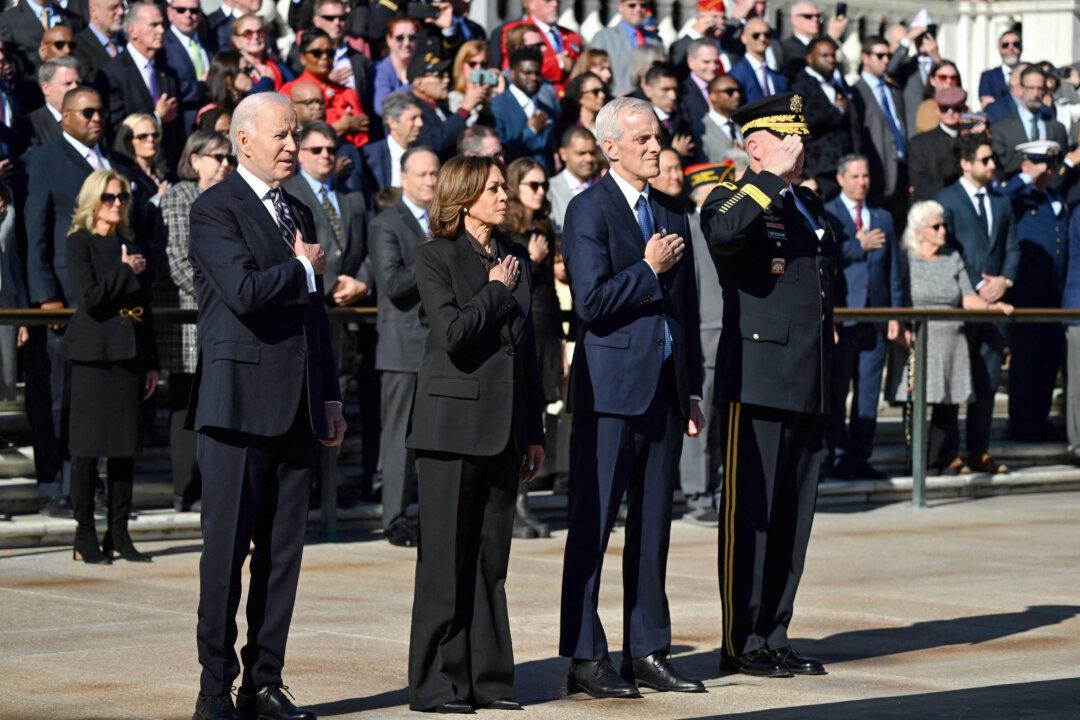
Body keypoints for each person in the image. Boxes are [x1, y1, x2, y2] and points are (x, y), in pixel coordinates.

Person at [188, 92, 344, 720]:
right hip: (237, 406)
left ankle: (265, 681)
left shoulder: (299, 211)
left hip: (299, 407)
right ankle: (213, 689)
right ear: (242, 139)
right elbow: (245, 292)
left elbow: (315, 318)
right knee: (225, 555)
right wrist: (302, 269)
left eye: (296, 135)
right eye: (281, 135)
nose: (291, 146)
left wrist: (330, 394)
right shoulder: (214, 209)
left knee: (283, 557)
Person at [560, 96, 705, 698]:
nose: (655, 146)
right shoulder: (586, 211)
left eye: (658, 137)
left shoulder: (670, 212)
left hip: (665, 392)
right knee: (592, 526)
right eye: (641, 138)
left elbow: (688, 310)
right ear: (609, 147)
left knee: (653, 529)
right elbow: (591, 304)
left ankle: (646, 648)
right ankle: (585, 656)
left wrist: (692, 386)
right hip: (612, 391)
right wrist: (646, 268)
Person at [699, 92, 835, 678]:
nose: (800, 148)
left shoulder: (806, 207)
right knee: (751, 514)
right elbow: (725, 235)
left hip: (807, 378)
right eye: (788, 138)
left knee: (792, 518)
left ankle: (775, 630)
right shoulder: (735, 195)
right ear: (756, 146)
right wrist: (768, 181)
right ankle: (741, 640)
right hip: (758, 378)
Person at [406, 155, 545, 714]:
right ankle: (436, 684)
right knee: (444, 563)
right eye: (492, 188)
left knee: (491, 564)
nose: (504, 195)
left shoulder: (513, 257)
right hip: (450, 429)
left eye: (503, 186)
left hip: (504, 429)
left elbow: (527, 352)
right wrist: (493, 289)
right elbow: (456, 334)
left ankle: (488, 680)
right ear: (463, 197)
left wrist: (533, 431)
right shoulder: (433, 257)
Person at [23, 85, 145, 519]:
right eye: (87, 111)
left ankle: (94, 492)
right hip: (68, 297)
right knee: (60, 399)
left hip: (115, 306)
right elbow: (34, 234)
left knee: (97, 408)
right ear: (65, 116)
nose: (97, 118)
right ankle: (58, 485)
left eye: (101, 111)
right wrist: (45, 296)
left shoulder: (114, 164)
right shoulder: (42, 160)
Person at [61, 169, 159, 565]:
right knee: (86, 450)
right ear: (93, 201)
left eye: (121, 198)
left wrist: (152, 363)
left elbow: (145, 311)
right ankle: (84, 534)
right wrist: (125, 271)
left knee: (124, 449)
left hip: (129, 355)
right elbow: (91, 299)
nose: (116, 204)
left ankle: (118, 532)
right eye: (108, 197)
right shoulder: (79, 243)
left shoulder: (132, 243)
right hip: (91, 355)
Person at [896, 200, 1013, 474]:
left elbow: (968, 297)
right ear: (919, 230)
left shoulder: (952, 257)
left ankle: (937, 460)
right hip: (919, 338)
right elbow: (897, 294)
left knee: (947, 403)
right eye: (936, 226)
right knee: (917, 402)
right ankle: (916, 463)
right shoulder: (906, 258)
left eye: (944, 225)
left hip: (951, 338)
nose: (943, 231)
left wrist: (992, 307)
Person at [934, 133, 1018, 475]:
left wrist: (1003, 281)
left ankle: (979, 450)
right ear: (966, 163)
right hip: (962, 304)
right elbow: (947, 248)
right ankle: (948, 453)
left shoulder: (1002, 202)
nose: (992, 165)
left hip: (995, 306)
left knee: (986, 380)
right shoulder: (947, 200)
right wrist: (977, 284)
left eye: (993, 159)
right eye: (985, 160)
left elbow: (1012, 245)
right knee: (955, 380)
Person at [159, 130, 233, 513]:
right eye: (216, 156)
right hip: (191, 316)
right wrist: (229, 292)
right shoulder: (179, 197)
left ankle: (209, 485)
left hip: (224, 316)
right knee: (185, 403)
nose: (224, 164)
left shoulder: (228, 198)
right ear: (194, 159)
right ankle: (182, 488)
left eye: (227, 158)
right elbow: (177, 262)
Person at [369, 146, 438, 548]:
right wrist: (434, 252)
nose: (430, 181)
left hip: (442, 342)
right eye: (422, 174)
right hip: (402, 344)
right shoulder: (386, 224)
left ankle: (431, 512)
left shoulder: (447, 221)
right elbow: (392, 283)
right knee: (399, 437)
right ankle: (394, 518)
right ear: (404, 178)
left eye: (434, 174)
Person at [824, 153, 903, 479]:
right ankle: (838, 455)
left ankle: (860, 455)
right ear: (841, 179)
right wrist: (858, 246)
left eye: (865, 176)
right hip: (844, 317)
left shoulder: (882, 216)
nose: (862, 182)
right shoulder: (829, 213)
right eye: (855, 176)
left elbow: (893, 272)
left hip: (875, 318)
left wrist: (895, 315)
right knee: (838, 390)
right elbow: (825, 259)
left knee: (868, 393)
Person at [997, 140, 1069, 442]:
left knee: (1047, 359)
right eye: (1040, 164)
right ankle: (1021, 422)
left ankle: (1038, 419)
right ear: (1026, 163)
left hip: (1055, 293)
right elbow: (998, 199)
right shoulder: (1016, 195)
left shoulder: (1053, 197)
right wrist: (1025, 177)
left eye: (1050, 166)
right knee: (1025, 361)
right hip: (1027, 292)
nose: (1047, 171)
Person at [504, 157, 560, 539]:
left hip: (545, 328)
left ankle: (524, 503)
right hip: (521, 330)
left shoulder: (544, 227)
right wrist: (531, 260)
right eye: (532, 186)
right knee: (518, 413)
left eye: (543, 186)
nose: (541, 192)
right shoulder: (508, 231)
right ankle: (513, 505)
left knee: (535, 414)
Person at [677, 161, 731, 526]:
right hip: (706, 336)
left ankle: (719, 490)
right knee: (701, 422)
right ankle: (698, 494)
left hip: (732, 336)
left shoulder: (728, 227)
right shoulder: (692, 229)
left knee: (725, 425)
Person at [98, 2, 182, 166]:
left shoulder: (167, 72)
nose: (161, 30)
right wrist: (157, 117)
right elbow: (117, 127)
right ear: (132, 31)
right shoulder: (113, 73)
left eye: (162, 24)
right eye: (153, 25)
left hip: (167, 166)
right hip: (131, 165)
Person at [850, 35, 908, 228]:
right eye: (880, 55)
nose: (886, 60)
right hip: (876, 172)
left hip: (901, 169)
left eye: (888, 55)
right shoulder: (856, 92)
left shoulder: (893, 89)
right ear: (865, 58)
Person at [280, 28, 370, 149]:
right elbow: (286, 136)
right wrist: (341, 126)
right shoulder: (290, 91)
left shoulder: (347, 93)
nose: (325, 57)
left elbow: (362, 136)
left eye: (330, 53)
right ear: (302, 57)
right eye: (317, 53)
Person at [791, 36, 853, 200]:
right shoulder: (799, 85)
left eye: (833, 55)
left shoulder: (838, 83)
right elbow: (801, 122)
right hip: (818, 170)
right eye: (824, 56)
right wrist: (836, 111)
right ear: (810, 58)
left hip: (844, 166)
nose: (831, 60)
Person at [991, 66, 1069, 179]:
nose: (1036, 94)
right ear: (1021, 89)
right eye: (1031, 88)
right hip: (1016, 193)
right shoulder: (1001, 128)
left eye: (1040, 88)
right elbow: (1000, 169)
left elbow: (1061, 169)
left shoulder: (1057, 128)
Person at [410, 49, 484, 161]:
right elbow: (433, 143)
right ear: (419, 84)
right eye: (439, 75)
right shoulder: (412, 111)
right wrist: (465, 108)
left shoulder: (441, 107)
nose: (446, 79)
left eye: (446, 74)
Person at [496, 0, 582, 94]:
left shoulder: (571, 36)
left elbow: (581, 68)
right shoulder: (515, 31)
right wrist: (559, 64)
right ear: (529, 3)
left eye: (558, 0)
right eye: (548, 0)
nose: (555, 4)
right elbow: (513, 66)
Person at [491, 47, 554, 171]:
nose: (534, 78)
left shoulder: (546, 109)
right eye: (527, 73)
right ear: (512, 73)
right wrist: (532, 131)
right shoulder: (497, 105)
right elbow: (500, 148)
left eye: (537, 73)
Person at [588, 0, 663, 97]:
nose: (638, 9)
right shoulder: (604, 37)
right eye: (632, 5)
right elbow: (594, 72)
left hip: (649, 103)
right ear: (621, 7)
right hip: (616, 101)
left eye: (643, 5)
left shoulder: (655, 39)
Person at [908, 86, 967, 202]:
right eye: (944, 108)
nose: (950, 112)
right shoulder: (920, 143)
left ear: (964, 110)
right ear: (937, 111)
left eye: (956, 108)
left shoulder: (971, 140)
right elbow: (921, 187)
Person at [361, 90, 423, 199]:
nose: (420, 123)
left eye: (421, 117)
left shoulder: (425, 155)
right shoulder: (369, 156)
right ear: (393, 122)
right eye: (413, 118)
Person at [161, 0, 210, 135]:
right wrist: (204, 85)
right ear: (170, 12)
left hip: (209, 123)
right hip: (183, 128)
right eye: (181, 10)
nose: (188, 15)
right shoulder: (163, 46)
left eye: (194, 11)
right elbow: (174, 88)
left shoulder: (206, 43)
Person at [886, 22, 940, 138]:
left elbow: (952, 85)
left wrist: (936, 57)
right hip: (913, 131)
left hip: (937, 127)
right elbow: (889, 69)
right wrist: (907, 40)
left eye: (926, 37)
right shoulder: (907, 64)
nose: (922, 41)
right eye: (919, 37)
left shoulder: (940, 64)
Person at [0, 0, 83, 71]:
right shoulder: (8, 20)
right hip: (32, 84)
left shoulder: (70, 18)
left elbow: (81, 53)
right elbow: (9, 63)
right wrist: (38, 56)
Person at [779, 1, 847, 81]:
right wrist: (830, 38)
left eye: (818, 16)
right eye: (808, 16)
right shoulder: (785, 47)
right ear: (794, 19)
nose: (815, 20)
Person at [642, 62, 696, 160]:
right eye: (665, 90)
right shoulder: (642, 122)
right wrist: (675, 153)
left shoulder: (684, 119)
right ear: (648, 90)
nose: (673, 96)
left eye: (675, 90)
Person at [112, 113, 170, 203]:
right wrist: (158, 197)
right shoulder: (125, 176)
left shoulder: (164, 173)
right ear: (127, 142)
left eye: (155, 135)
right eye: (142, 136)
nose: (151, 139)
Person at [728, 18, 788, 103]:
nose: (762, 39)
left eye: (766, 35)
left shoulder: (778, 77)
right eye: (756, 35)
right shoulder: (736, 75)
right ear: (744, 38)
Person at [549, 126, 596, 231]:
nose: (589, 159)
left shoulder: (604, 188)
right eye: (581, 153)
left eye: (592, 153)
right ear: (563, 154)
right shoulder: (549, 190)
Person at [231, 13, 294, 92]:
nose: (255, 37)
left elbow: (293, 84)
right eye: (248, 34)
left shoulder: (274, 62)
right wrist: (267, 80)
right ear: (236, 41)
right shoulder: (235, 69)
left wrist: (277, 62)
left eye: (260, 32)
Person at [26, 56, 80, 147]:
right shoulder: (30, 126)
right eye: (68, 84)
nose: (76, 88)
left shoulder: (91, 116)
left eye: (78, 83)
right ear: (46, 88)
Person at [448, 39, 502, 127]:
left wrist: (499, 95)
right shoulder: (452, 96)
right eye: (472, 64)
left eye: (483, 64)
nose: (478, 69)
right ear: (461, 65)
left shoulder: (492, 93)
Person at [372, 16, 417, 115]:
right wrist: (408, 86)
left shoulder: (421, 66)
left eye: (412, 37)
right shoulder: (382, 70)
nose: (407, 43)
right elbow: (381, 108)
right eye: (400, 38)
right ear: (389, 39)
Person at [196, 51, 253, 122]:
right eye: (245, 70)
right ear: (228, 80)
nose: (251, 74)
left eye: (250, 68)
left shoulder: (249, 103)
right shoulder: (213, 114)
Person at [74, 0, 124, 78]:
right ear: (94, 11)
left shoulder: (128, 41)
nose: (121, 12)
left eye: (122, 6)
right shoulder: (78, 45)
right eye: (113, 8)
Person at [912, 60, 961, 135]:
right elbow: (932, 134)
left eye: (953, 78)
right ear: (932, 80)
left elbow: (972, 121)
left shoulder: (963, 106)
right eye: (943, 77)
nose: (949, 81)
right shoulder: (927, 107)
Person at [979, 28, 1023, 112]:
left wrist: (997, 102)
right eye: (1005, 45)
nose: (1011, 48)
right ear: (999, 49)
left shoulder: (1030, 74)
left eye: (1016, 44)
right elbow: (988, 106)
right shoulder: (988, 76)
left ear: (1021, 48)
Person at [678, 39, 721, 125]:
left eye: (716, 62)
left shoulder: (726, 85)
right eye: (706, 62)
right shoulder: (682, 93)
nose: (713, 67)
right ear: (691, 62)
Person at [559, 71, 607, 138]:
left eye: (603, 91)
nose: (602, 95)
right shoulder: (569, 129)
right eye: (595, 92)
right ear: (579, 96)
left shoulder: (608, 126)